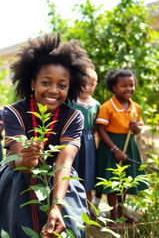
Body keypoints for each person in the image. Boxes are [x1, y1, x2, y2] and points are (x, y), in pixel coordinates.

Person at [0, 34, 94, 238]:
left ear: (70, 87)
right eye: (46, 82)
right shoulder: (13, 112)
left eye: (62, 85)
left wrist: (57, 206)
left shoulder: (73, 117)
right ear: (33, 82)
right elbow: (19, 161)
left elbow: (65, 162)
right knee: (17, 227)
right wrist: (27, 158)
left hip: (59, 178)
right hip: (16, 177)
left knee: (69, 224)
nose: (54, 90)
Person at [95, 68, 147, 225]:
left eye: (131, 85)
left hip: (128, 145)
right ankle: (114, 215)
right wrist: (114, 149)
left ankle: (123, 212)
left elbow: (138, 130)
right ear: (114, 88)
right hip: (111, 146)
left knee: (125, 181)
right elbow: (100, 129)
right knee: (113, 182)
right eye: (124, 86)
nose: (129, 89)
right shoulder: (107, 106)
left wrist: (134, 127)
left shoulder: (135, 107)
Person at [67, 68, 101, 215]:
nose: (87, 88)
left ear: (96, 85)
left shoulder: (96, 105)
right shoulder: (70, 102)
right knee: (74, 171)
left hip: (89, 142)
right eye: (84, 83)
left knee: (88, 173)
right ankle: (73, 207)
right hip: (72, 139)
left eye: (92, 84)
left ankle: (88, 209)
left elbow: (96, 127)